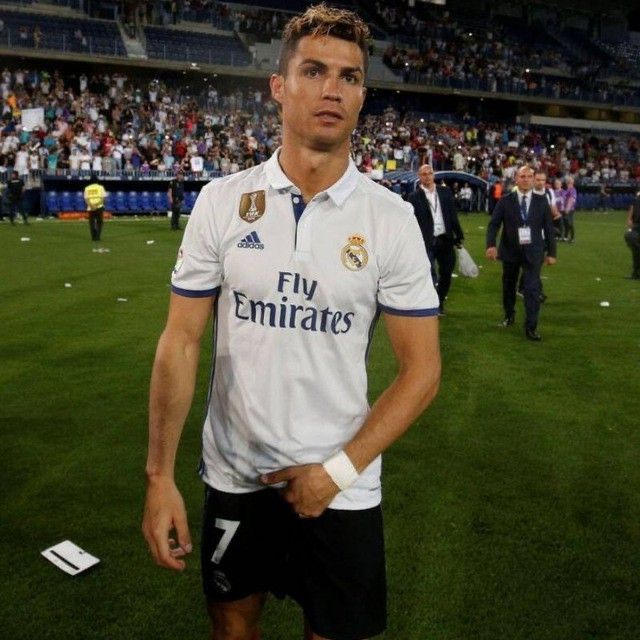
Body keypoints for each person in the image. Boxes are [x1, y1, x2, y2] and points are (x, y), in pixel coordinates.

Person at [142, 5, 442, 640]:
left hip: (343, 485)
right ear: (278, 87)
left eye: (350, 76)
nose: (333, 89)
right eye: (313, 70)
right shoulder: (222, 203)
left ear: (363, 94)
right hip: (234, 474)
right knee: (232, 630)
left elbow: (422, 371)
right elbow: (181, 340)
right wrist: (160, 475)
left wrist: (333, 474)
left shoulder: (390, 219)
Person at [485, 165, 557, 341]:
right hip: (510, 251)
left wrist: (552, 253)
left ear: (533, 179)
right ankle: (509, 315)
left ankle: (531, 327)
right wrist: (491, 245)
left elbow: (549, 229)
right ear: (516, 179)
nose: (526, 179)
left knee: (532, 290)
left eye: (529, 176)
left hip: (534, 252)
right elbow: (494, 224)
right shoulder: (505, 200)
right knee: (508, 286)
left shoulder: (541, 202)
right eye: (522, 176)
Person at [408, 163, 464, 316]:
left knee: (447, 271)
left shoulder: (445, 192)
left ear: (434, 175)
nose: (427, 176)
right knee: (428, 274)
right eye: (424, 174)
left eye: (430, 173)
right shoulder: (413, 197)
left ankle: (439, 300)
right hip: (427, 241)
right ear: (419, 177)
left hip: (445, 238)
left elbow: (452, 215)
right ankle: (431, 305)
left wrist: (459, 234)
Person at [517, 171, 560, 302]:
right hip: (527, 234)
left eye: (543, 180)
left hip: (543, 235)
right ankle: (535, 291)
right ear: (533, 180)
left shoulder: (549, 193)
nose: (541, 182)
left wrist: (557, 216)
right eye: (538, 180)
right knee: (533, 263)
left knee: (535, 263)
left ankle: (523, 288)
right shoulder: (527, 193)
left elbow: (553, 208)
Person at [83, 173, 106, 241]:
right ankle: (98, 236)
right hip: (99, 207)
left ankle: (93, 237)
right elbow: (103, 199)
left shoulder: (87, 188)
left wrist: (91, 205)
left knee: (92, 223)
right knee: (99, 222)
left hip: (90, 207)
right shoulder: (101, 187)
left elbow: (86, 199)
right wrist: (96, 205)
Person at [625, 191, 640, 280]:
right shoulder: (637, 196)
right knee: (630, 238)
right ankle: (635, 273)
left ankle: (636, 273)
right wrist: (629, 218)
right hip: (637, 225)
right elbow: (633, 207)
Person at [563, 176, 577, 243]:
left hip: (570, 209)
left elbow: (571, 200)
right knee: (566, 223)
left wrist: (567, 209)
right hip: (566, 209)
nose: (568, 183)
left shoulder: (572, 190)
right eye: (568, 182)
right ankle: (565, 237)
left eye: (570, 182)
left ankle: (572, 238)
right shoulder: (567, 190)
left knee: (570, 223)